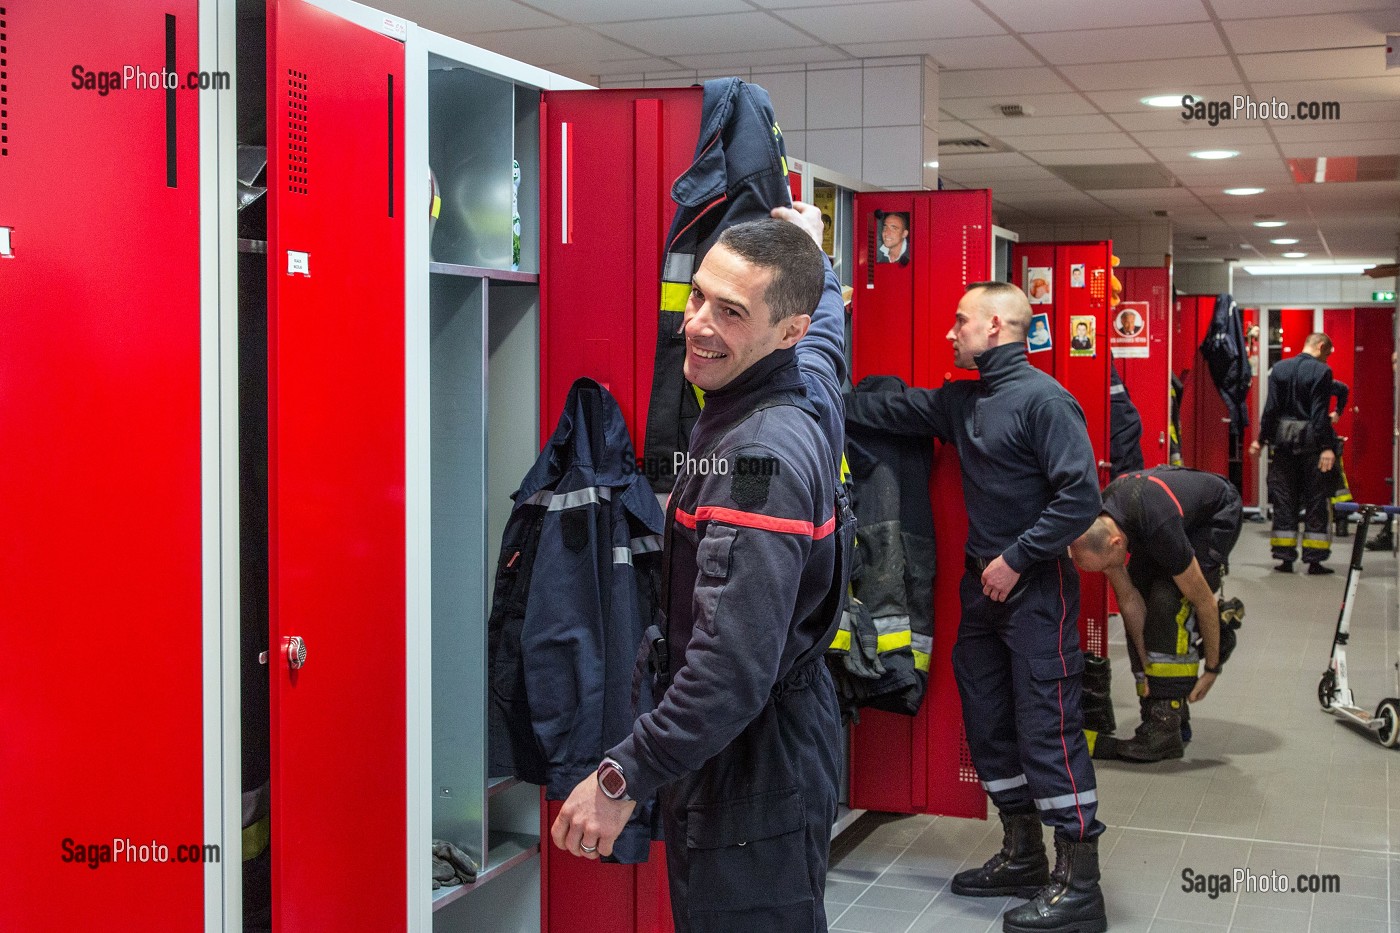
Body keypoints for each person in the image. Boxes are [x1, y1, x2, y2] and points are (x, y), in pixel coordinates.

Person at [551, 203, 852, 933]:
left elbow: (730, 668)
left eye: (731, 311)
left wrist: (621, 775)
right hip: (772, 747)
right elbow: (829, 345)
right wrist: (817, 258)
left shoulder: (758, 460)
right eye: (699, 296)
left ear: (786, 329)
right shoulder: (804, 385)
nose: (697, 324)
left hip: (752, 767)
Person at [844, 282, 1107, 932]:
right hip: (981, 592)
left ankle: (1081, 885)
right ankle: (1022, 853)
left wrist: (1017, 556)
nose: (949, 332)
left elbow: (1080, 498)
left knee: (1048, 725)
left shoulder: (1045, 402)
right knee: (988, 720)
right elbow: (894, 409)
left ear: (995, 326)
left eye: (959, 320)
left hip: (1035, 588)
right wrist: (807, 388)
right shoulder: (965, 401)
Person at [1070, 467, 1242, 762]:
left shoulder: (1158, 525)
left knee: (1168, 603)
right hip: (1159, 517)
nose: (1111, 571)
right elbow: (1130, 602)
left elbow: (1203, 600)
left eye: (1108, 565)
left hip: (1215, 513)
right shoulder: (1102, 521)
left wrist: (1212, 669)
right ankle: (1161, 713)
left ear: (1116, 543)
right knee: (1144, 597)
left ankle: (1166, 729)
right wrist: (1149, 668)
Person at [1249, 332, 1344, 574]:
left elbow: (1270, 409)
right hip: (1312, 447)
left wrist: (1261, 440)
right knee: (1315, 500)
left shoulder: (1279, 369)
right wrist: (1327, 447)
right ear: (1321, 347)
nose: (1326, 360)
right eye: (1327, 355)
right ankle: (1314, 559)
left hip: (1283, 445)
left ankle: (1284, 557)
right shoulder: (1321, 372)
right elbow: (1319, 414)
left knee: (1284, 500)